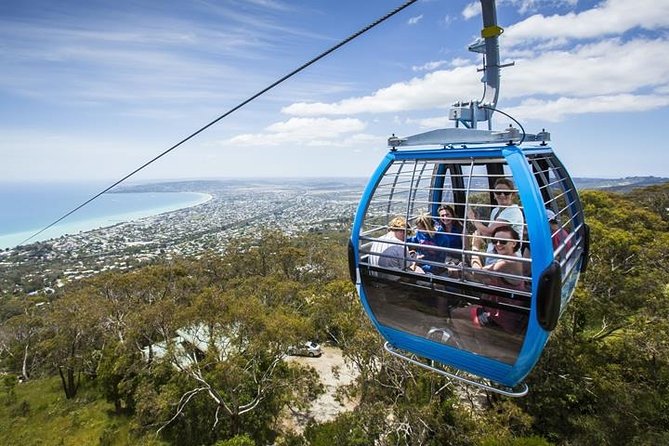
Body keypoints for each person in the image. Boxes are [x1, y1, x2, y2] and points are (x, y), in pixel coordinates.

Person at [468, 225, 527, 333]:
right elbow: (489, 279)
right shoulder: (512, 258)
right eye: (495, 241)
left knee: (456, 313)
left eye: (503, 241)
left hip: (502, 319)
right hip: (503, 311)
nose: (498, 244)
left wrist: (475, 247)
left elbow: (477, 273)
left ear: (514, 243)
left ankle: (470, 346)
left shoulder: (508, 262)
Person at [467, 178, 524, 265]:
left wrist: (473, 219)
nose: (502, 195)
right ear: (494, 194)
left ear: (512, 195)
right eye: (498, 192)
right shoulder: (495, 211)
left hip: (507, 259)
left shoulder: (513, 211)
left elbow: (490, 231)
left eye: (506, 193)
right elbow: (488, 234)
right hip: (493, 256)